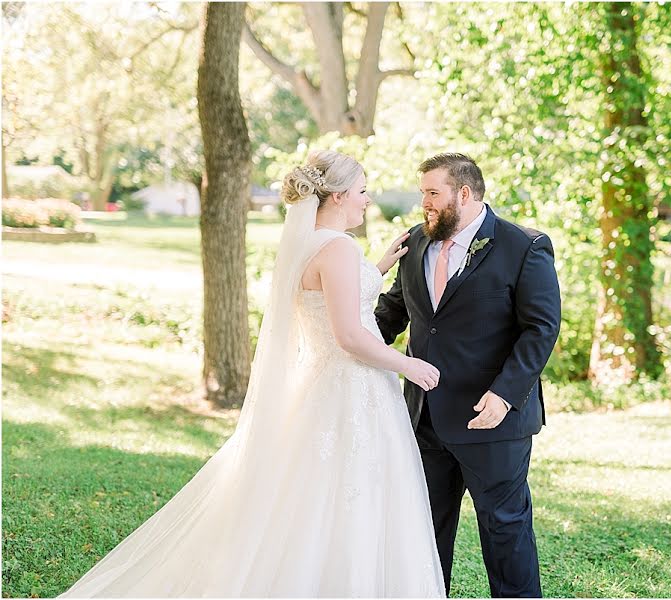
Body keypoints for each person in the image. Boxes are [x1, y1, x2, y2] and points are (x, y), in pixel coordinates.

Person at [60, 150, 445, 597]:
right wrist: (409, 365)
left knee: (312, 499)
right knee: (348, 496)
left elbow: (327, 296)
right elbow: (351, 337)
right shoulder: (338, 248)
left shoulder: (310, 244)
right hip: (352, 386)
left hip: (325, 386)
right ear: (338, 196)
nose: (367, 199)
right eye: (361, 191)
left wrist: (374, 268)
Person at [375, 153, 562, 598]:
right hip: (424, 419)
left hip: (492, 419)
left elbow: (541, 328)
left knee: (505, 531)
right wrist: (344, 343)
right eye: (422, 193)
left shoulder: (524, 246)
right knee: (424, 533)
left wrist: (504, 394)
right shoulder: (415, 243)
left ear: (464, 193)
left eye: (432, 193)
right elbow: (395, 312)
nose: (425, 203)